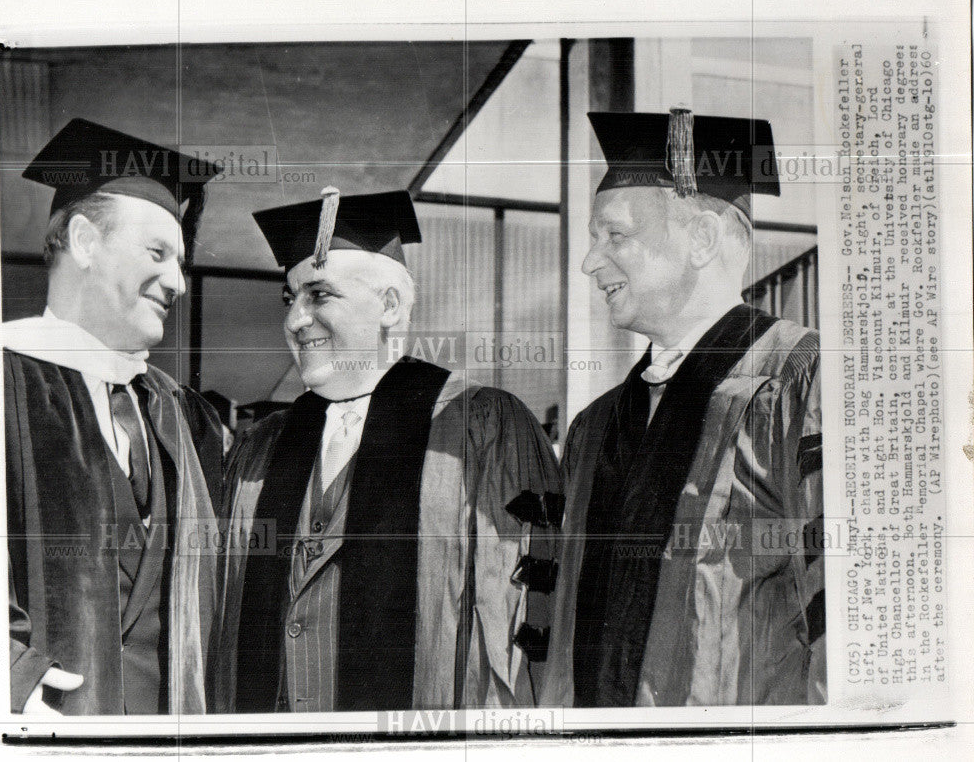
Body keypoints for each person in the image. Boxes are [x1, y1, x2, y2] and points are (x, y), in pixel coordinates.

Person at [210, 189, 561, 713]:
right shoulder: (262, 446)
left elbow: (525, 623)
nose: (296, 320)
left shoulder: (480, 428)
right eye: (290, 299)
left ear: (390, 307)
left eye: (319, 295)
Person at [541, 109, 825, 707]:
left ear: (700, 240)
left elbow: (846, 619)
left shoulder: (799, 380)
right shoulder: (595, 428)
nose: (589, 262)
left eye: (614, 235)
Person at [3, 118, 224, 715]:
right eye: (158, 252)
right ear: (84, 241)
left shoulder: (183, 416)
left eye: (181, 260)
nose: (178, 280)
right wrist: (9, 680)